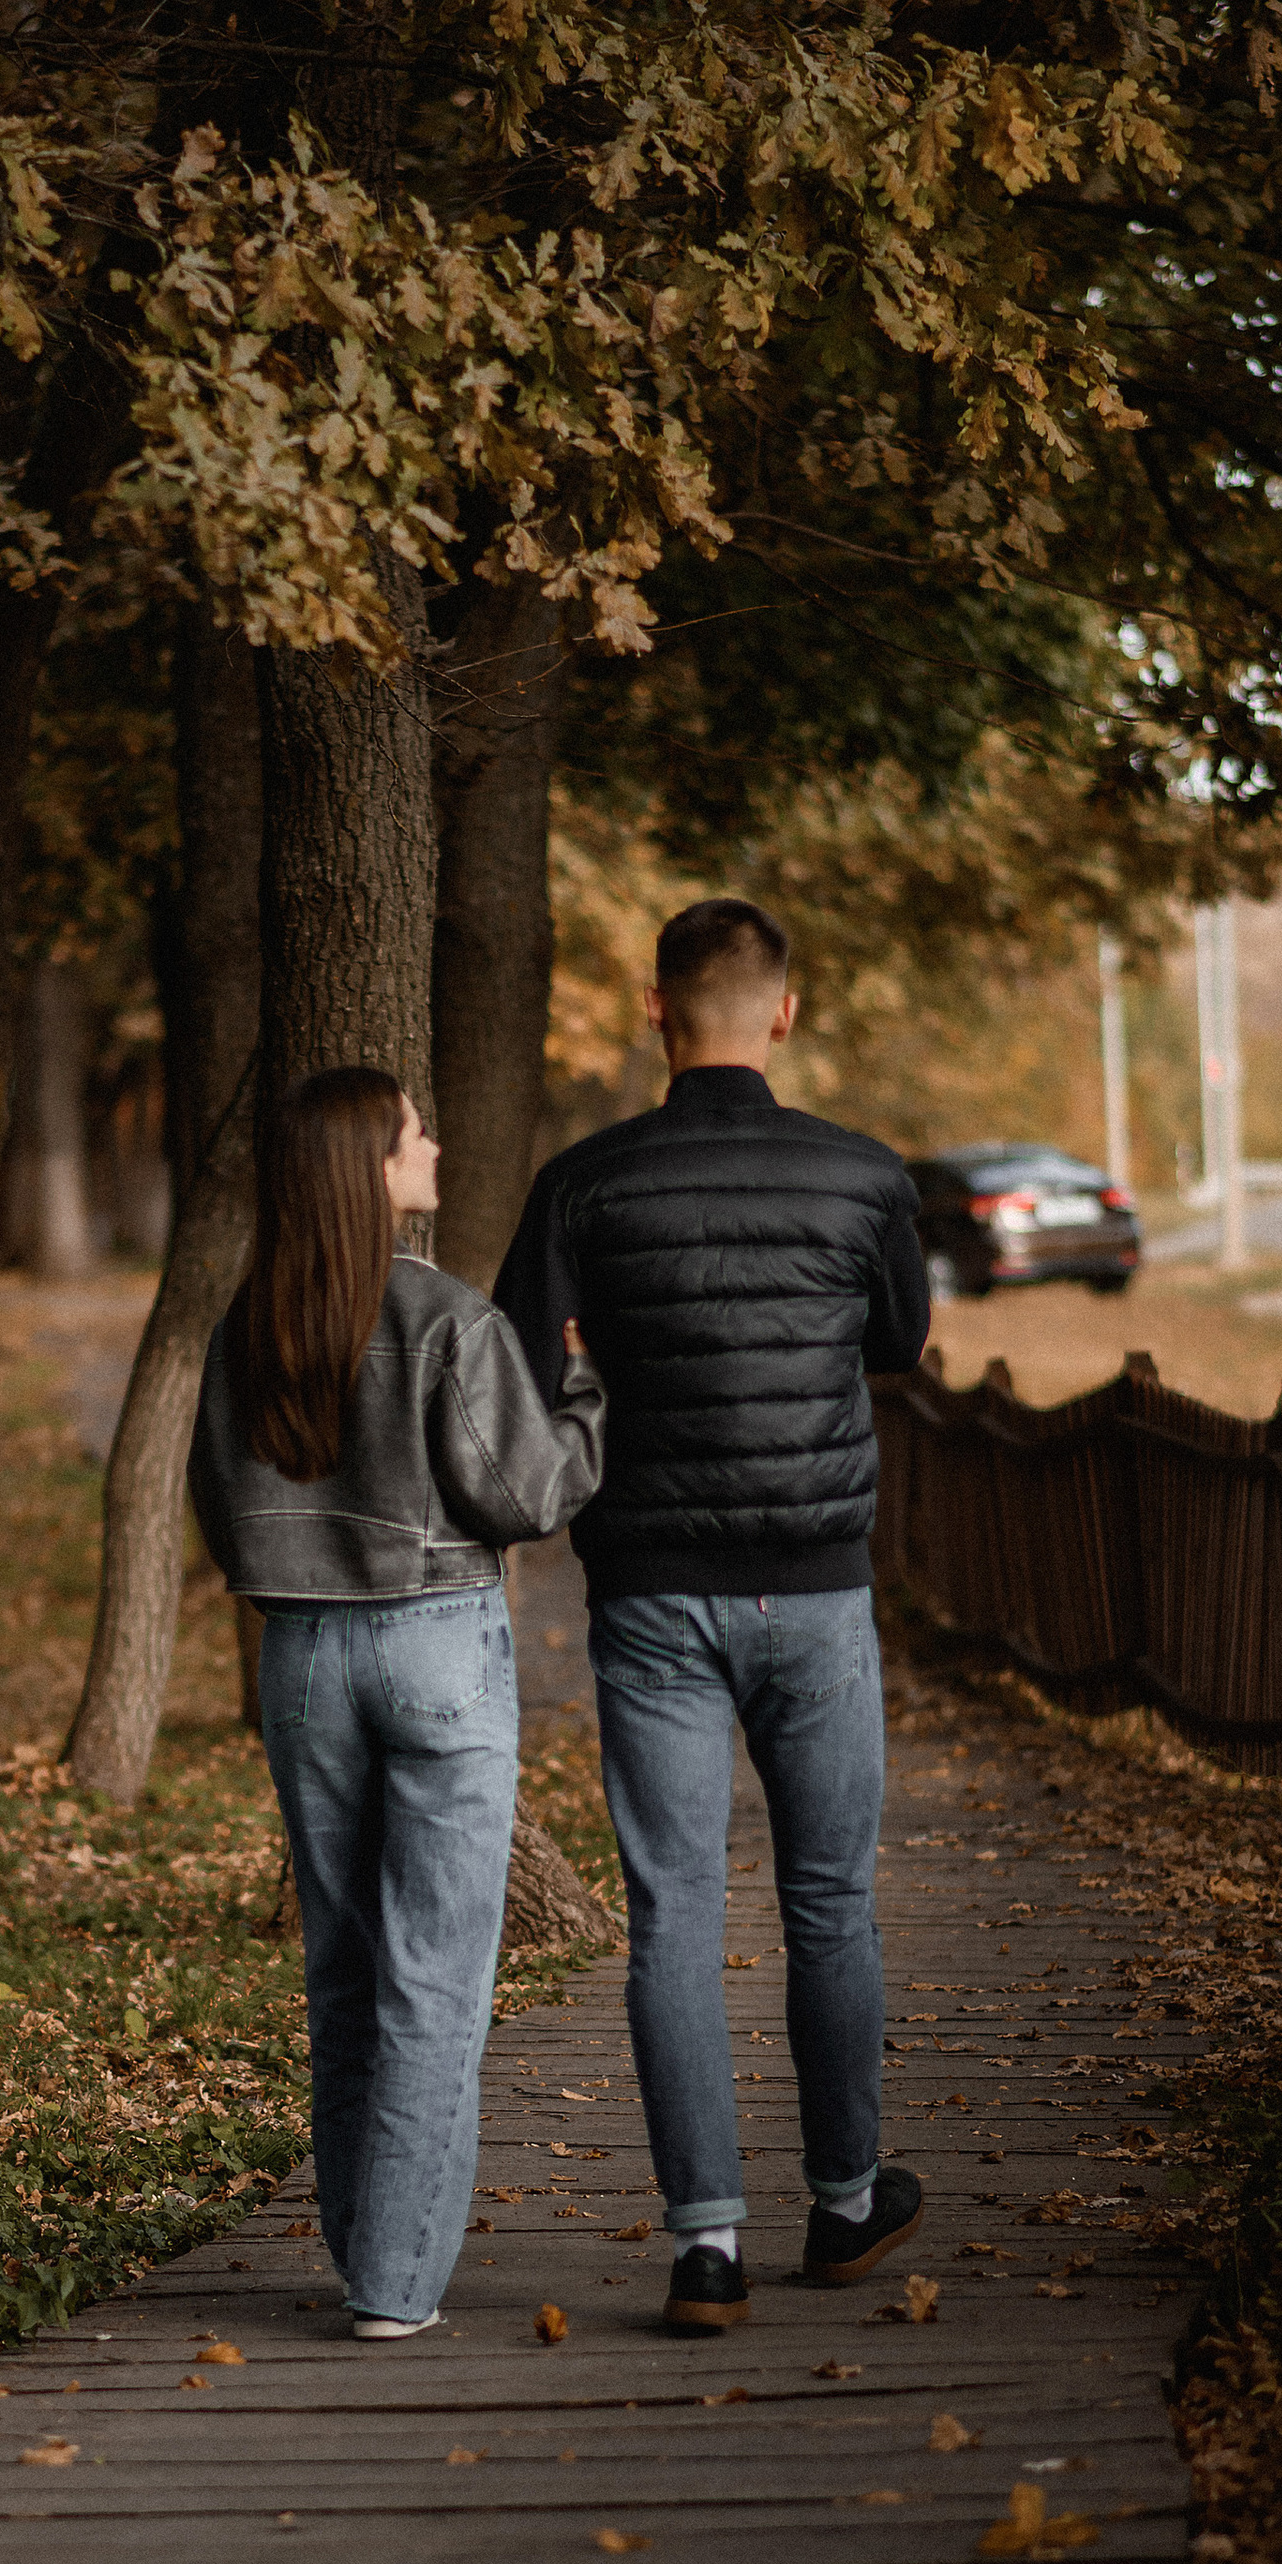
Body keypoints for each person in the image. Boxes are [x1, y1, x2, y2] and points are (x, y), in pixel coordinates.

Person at [494, 896, 931, 2338]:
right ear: (785, 1014)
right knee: (830, 1901)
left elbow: (517, 1352)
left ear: (654, 1012)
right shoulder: (863, 1179)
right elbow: (898, 1342)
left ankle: (706, 2248)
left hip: (652, 1589)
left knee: (673, 1909)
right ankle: (852, 2201)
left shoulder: (584, 1184)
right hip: (814, 1584)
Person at [190, 1065, 603, 2340]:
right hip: (433, 1645)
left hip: (303, 1658)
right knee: (434, 1975)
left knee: (344, 1965)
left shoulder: (247, 1326)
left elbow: (219, 1505)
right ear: (370, 1167)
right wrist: (584, 1395)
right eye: (415, 1134)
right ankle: (395, 2285)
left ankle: (366, 2245)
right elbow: (525, 1493)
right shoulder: (446, 1320)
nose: (434, 1145)